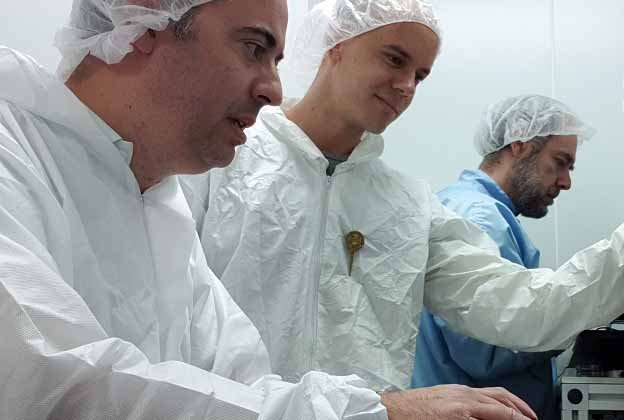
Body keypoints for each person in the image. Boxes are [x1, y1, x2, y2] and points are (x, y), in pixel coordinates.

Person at [0, 1, 535, 419]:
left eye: (276, 60)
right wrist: (376, 413)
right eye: (254, 48)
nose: (274, 90)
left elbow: (241, 382)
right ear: (142, 19)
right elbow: (57, 385)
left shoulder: (156, 203)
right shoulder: (16, 155)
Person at [182, 0, 624, 398]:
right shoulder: (220, 163)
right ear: (337, 44)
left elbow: (519, 306)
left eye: (421, 75)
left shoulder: (406, 205)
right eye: (395, 58)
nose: (407, 86)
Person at [412, 94, 596, 420]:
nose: (566, 181)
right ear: (520, 146)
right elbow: (491, 348)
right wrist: (578, 317)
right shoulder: (480, 217)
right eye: (560, 161)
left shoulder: (466, 205)